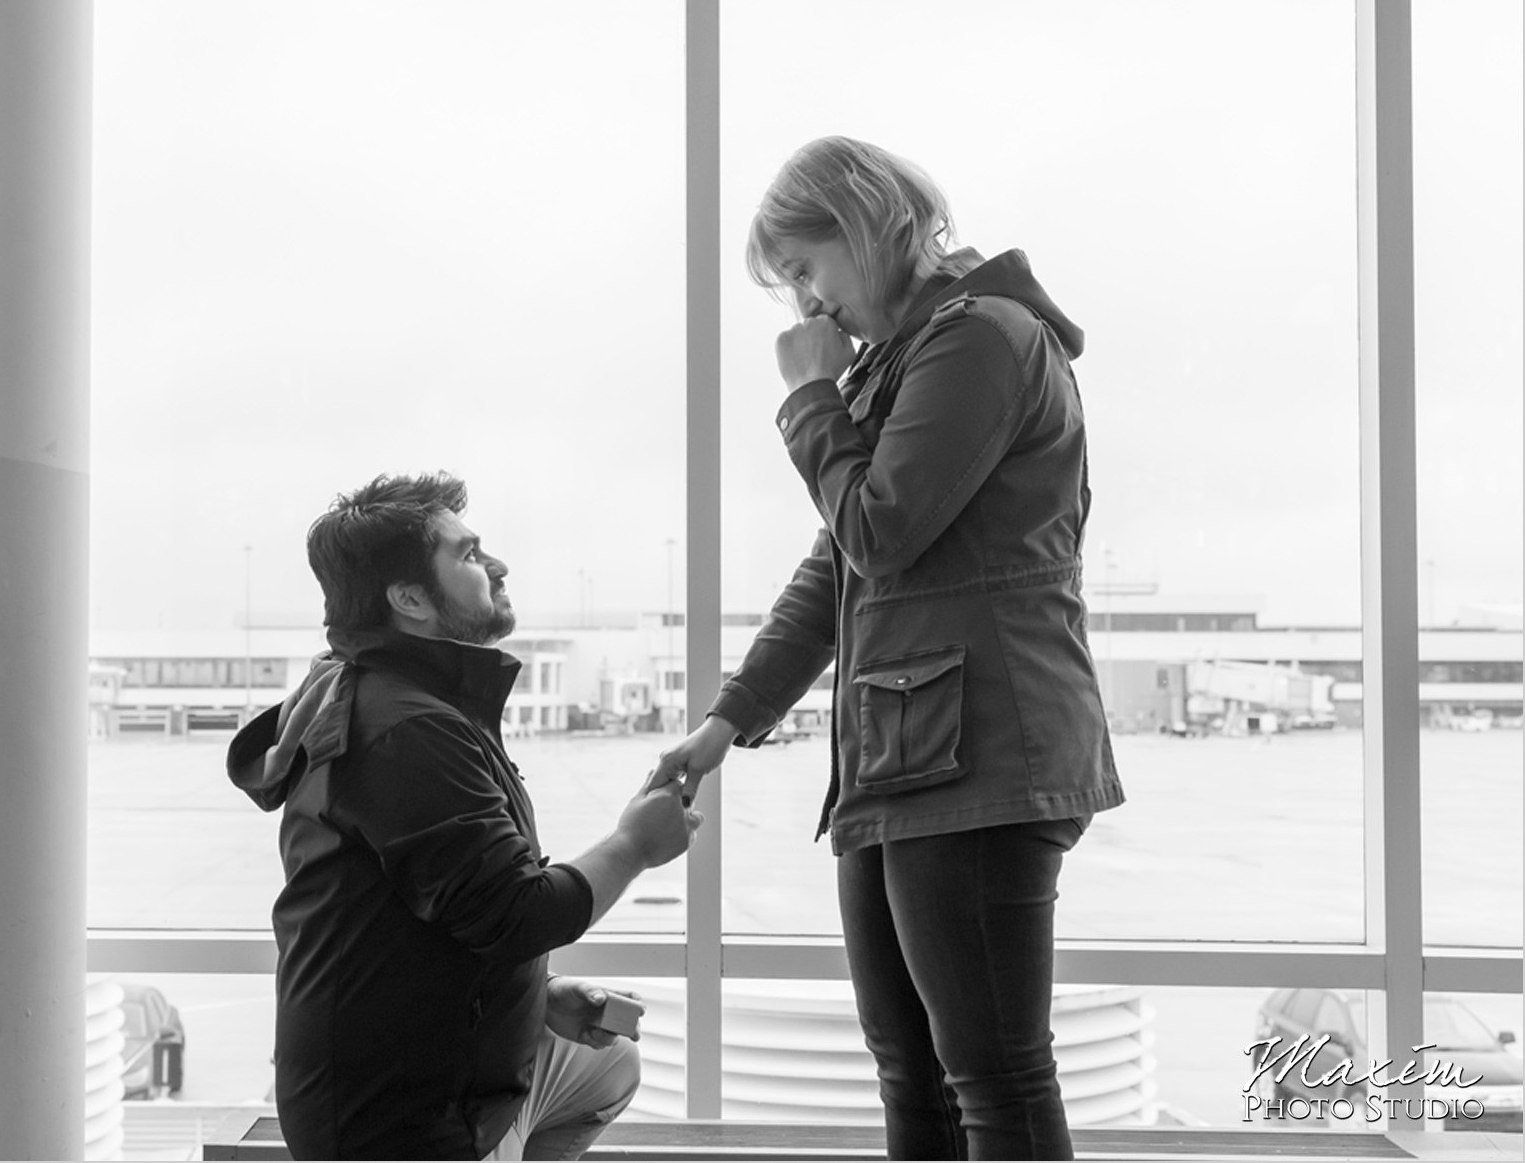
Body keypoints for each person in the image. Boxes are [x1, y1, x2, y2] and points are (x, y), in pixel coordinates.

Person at [654, 136, 1125, 1160]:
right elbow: (840, 571)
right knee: (916, 1077)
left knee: (994, 1076)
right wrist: (727, 722)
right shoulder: (909, 360)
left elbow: (879, 527)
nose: (807, 308)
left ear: (863, 225)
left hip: (985, 753)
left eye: (807, 270)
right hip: (907, 753)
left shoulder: (981, 340)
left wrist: (809, 399)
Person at [229, 472, 703, 1160]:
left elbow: (437, 914)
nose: (498, 566)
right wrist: (635, 844)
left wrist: (529, 1003)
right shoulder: (404, 730)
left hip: (431, 1077)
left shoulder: (408, 704)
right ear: (411, 600)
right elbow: (518, 913)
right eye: (471, 555)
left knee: (608, 1063)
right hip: (398, 1127)